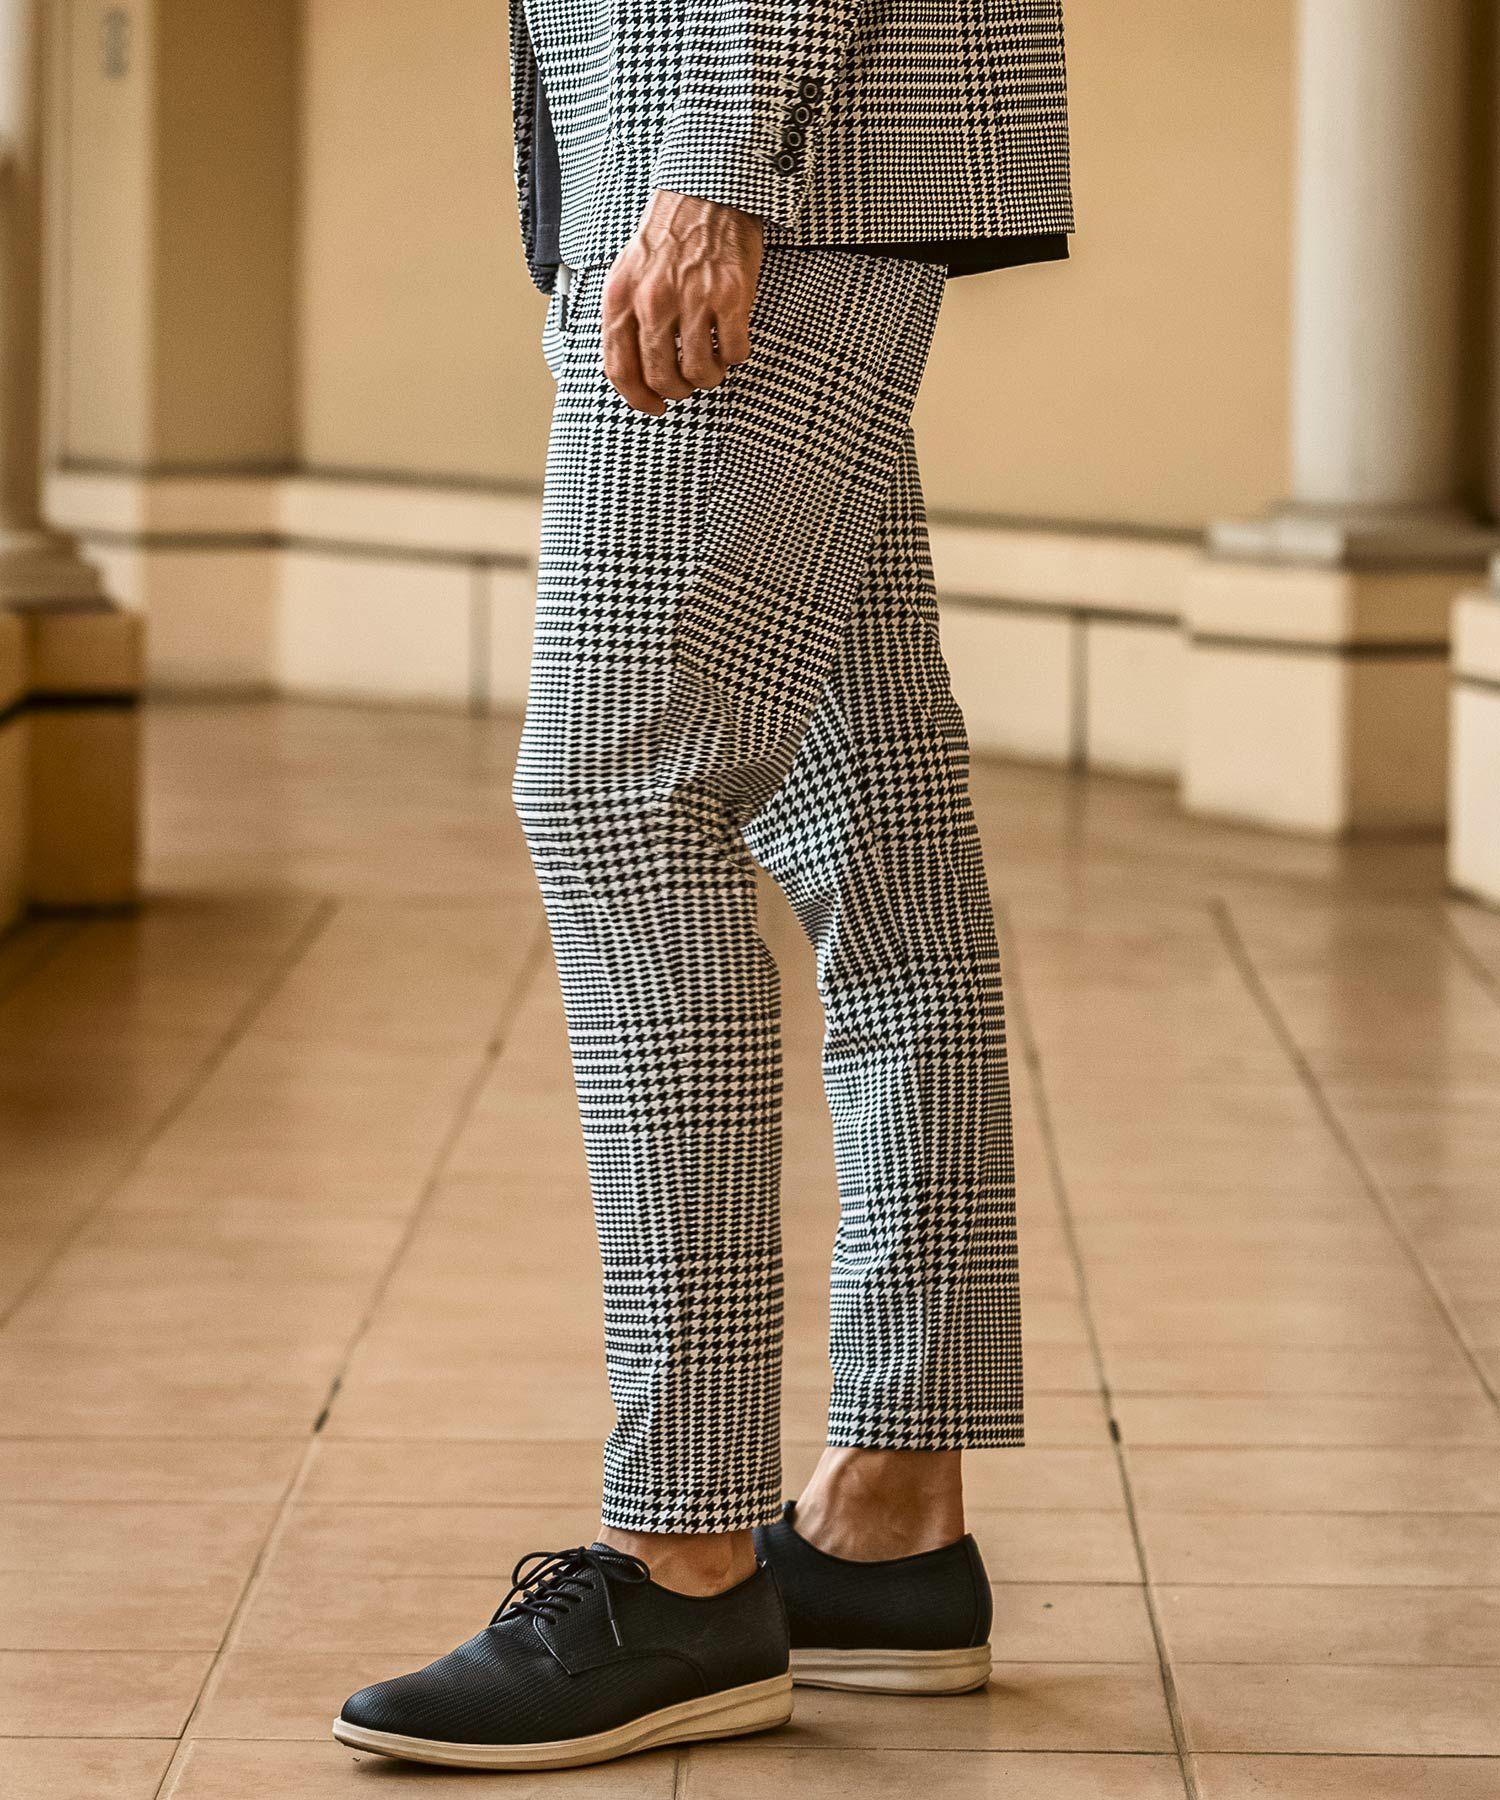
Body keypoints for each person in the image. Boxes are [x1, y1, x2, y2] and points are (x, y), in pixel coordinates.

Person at [334, 0, 1073, 1770]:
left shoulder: (728, 159)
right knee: (876, 832)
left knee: (617, 794)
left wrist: (715, 155)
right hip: (799, 154)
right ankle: (888, 1518)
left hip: (748, 152)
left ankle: (681, 1561)